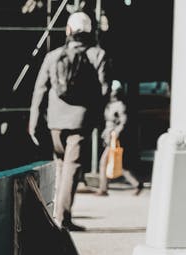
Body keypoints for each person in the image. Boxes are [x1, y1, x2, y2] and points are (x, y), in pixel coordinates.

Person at [28, 11, 109, 231]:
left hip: (55, 121)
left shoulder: (53, 56)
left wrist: (33, 121)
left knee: (62, 166)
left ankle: (60, 214)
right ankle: (62, 218)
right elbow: (104, 90)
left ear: (68, 30)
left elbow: (40, 90)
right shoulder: (97, 55)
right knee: (72, 169)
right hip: (80, 122)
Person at [96, 80, 142, 195]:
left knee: (105, 162)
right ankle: (136, 183)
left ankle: (103, 188)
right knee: (118, 163)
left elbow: (123, 122)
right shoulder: (110, 104)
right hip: (109, 136)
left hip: (114, 137)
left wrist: (115, 134)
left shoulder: (119, 105)